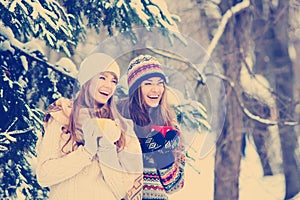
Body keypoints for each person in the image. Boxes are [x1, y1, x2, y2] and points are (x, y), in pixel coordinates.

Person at [36, 53, 143, 200]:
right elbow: (44, 176)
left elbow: (125, 192)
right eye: (102, 77)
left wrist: (106, 149)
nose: (108, 85)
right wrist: (86, 152)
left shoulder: (121, 129)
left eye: (113, 81)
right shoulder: (62, 116)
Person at [117, 54, 186, 200]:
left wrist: (163, 154)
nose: (156, 89)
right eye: (148, 83)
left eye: (160, 83)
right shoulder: (119, 116)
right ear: (135, 88)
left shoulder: (169, 124)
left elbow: (175, 186)